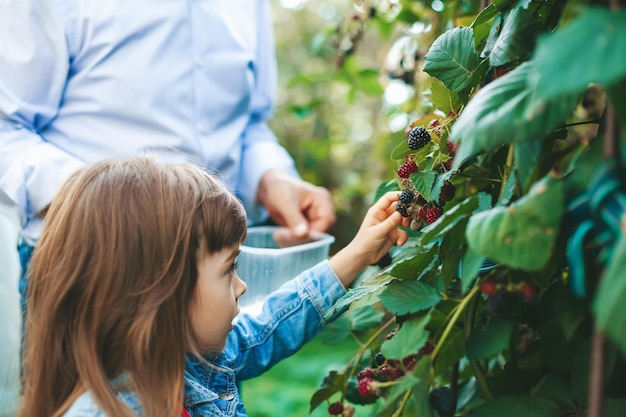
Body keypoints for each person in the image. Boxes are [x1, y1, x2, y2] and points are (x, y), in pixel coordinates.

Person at [0, 1, 335, 323]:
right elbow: (6, 128)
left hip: (210, 278)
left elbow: (250, 121)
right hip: (89, 271)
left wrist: (268, 178)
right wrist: (116, 213)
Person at [19, 156, 408, 417]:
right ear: (161, 294)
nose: (241, 286)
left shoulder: (192, 363)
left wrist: (357, 254)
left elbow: (272, 324)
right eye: (228, 270)